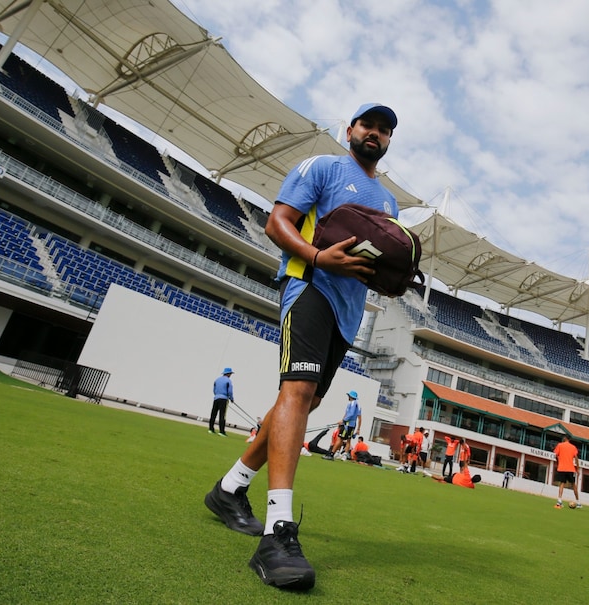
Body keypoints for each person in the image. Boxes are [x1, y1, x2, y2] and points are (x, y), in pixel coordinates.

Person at [203, 102, 399, 591]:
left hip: (348, 311)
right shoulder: (322, 166)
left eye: (384, 129)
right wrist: (316, 255)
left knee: (302, 400)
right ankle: (278, 532)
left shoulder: (390, 202)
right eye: (367, 125)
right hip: (309, 285)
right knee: (297, 392)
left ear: (390, 140)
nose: (374, 133)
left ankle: (230, 490)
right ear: (349, 129)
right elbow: (278, 223)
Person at [324, 390, 362, 460]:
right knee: (348, 439)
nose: (348, 397)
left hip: (347, 425)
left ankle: (331, 454)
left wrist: (343, 420)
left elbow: (350, 414)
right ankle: (343, 454)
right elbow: (358, 417)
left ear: (351, 396)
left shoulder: (353, 403)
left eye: (349, 396)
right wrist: (342, 421)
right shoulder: (356, 405)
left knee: (340, 439)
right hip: (351, 425)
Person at [553, 435, 581, 509]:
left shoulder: (560, 445)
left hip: (562, 468)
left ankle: (559, 500)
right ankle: (578, 502)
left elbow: (556, 455)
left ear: (565, 438)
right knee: (573, 485)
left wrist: (558, 462)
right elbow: (576, 458)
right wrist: (577, 469)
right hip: (570, 469)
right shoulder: (573, 447)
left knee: (562, 483)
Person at [209, 368, 234, 436]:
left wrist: (217, 395)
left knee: (213, 413)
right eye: (230, 374)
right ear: (228, 374)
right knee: (222, 415)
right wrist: (231, 398)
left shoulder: (217, 380)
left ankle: (211, 429)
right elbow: (230, 391)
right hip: (224, 399)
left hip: (216, 398)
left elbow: (214, 390)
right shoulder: (228, 381)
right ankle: (221, 431)